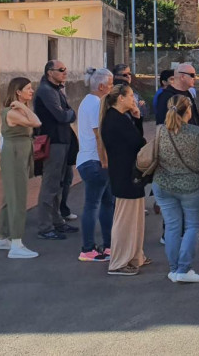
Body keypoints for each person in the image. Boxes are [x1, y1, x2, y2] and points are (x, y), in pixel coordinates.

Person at [153, 96, 199, 283]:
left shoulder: (160, 131)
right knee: (192, 226)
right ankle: (184, 269)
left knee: (172, 226)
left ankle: (174, 268)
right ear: (189, 111)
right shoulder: (198, 132)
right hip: (191, 185)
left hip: (163, 184)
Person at [102, 84, 148, 276]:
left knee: (135, 220)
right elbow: (139, 142)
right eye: (130, 96)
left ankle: (135, 255)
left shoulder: (121, 118)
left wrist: (137, 118)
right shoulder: (115, 119)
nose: (133, 100)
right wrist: (136, 121)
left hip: (129, 174)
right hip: (124, 175)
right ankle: (119, 261)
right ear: (120, 98)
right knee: (124, 220)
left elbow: (137, 139)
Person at [0, 77, 42, 259]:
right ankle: (16, 243)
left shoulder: (19, 110)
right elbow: (36, 122)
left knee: (10, 197)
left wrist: (23, 106)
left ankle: (2, 236)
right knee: (18, 198)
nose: (31, 91)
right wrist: (21, 106)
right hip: (14, 155)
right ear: (17, 92)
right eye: (28, 89)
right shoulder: (13, 112)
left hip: (20, 154)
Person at [33, 60, 79, 240]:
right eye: (61, 70)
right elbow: (62, 115)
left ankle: (57, 221)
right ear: (49, 72)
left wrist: (69, 113)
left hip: (63, 142)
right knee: (50, 185)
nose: (64, 73)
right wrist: (69, 113)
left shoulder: (56, 90)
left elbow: (68, 113)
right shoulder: (46, 90)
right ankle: (45, 227)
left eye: (65, 70)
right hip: (53, 143)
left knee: (61, 182)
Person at [74, 68, 115, 262]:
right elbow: (99, 135)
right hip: (94, 161)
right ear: (101, 86)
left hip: (90, 160)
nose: (113, 87)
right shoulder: (96, 104)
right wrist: (105, 161)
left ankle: (108, 246)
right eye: (111, 84)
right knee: (93, 205)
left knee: (106, 203)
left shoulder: (88, 102)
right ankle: (88, 248)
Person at [156, 62, 199, 128]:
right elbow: (162, 123)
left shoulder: (187, 93)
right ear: (182, 77)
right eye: (192, 75)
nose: (195, 78)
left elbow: (195, 117)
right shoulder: (165, 96)